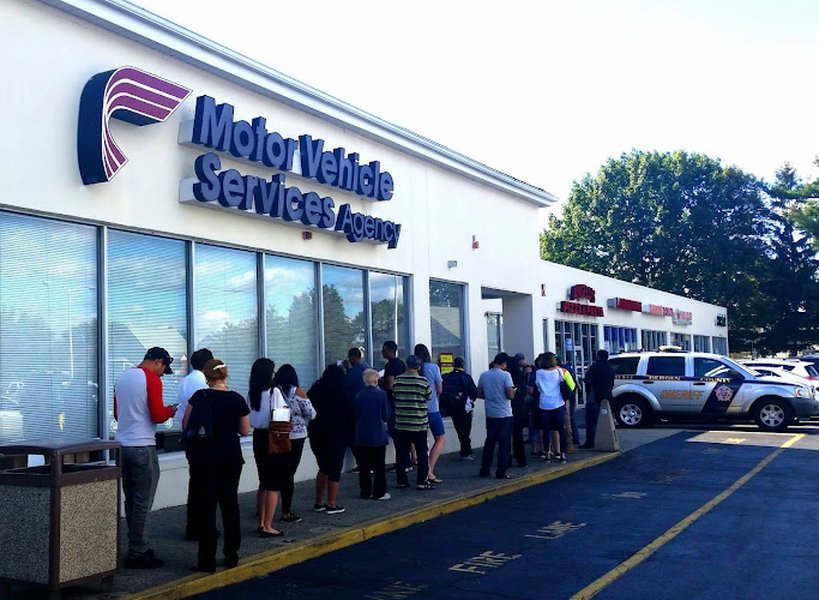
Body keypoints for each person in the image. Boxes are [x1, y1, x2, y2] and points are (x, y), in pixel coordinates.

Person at [183, 359, 250, 572]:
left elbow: (186, 424)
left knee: (207, 507)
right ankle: (231, 554)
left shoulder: (199, 396)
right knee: (230, 505)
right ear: (225, 375)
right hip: (230, 457)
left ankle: (206, 560)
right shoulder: (236, 399)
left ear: (206, 375)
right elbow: (245, 430)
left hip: (204, 458)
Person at [114, 346, 177, 569]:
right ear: (158, 361)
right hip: (143, 446)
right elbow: (158, 414)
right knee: (143, 502)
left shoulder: (122, 378)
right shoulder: (151, 379)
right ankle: (137, 551)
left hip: (122, 446)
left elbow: (116, 414)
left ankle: (136, 545)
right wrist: (171, 410)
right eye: (163, 368)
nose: (162, 373)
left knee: (130, 499)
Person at [247, 358, 287, 538]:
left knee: (263, 480)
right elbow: (282, 416)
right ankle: (269, 525)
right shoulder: (275, 392)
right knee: (273, 484)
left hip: (258, 436)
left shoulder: (251, 393)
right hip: (273, 436)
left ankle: (261, 521)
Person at [177, 347, 213, 541]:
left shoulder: (186, 381)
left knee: (196, 482)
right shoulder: (201, 383)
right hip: (200, 438)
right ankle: (200, 527)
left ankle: (194, 526)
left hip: (189, 436)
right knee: (204, 485)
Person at [274, 364, 316, 523]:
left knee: (275, 472)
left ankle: (263, 508)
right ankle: (286, 511)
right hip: (296, 435)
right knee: (289, 473)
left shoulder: (274, 391)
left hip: (278, 434)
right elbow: (311, 413)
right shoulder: (296, 391)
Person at [308, 365, 349, 515]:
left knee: (323, 467)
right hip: (337, 432)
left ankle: (319, 501)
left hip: (317, 432)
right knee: (335, 468)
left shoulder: (315, 390)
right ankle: (331, 503)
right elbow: (349, 412)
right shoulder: (341, 392)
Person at [393, 354, 434, 490]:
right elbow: (429, 396)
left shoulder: (398, 380)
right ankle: (422, 481)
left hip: (402, 423)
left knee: (401, 453)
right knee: (422, 453)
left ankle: (401, 480)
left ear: (406, 365)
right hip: (419, 423)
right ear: (419, 366)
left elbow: (394, 395)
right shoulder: (423, 381)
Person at [352, 368, 392, 500]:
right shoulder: (382, 395)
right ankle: (379, 492)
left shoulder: (358, 396)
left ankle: (365, 491)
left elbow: (356, 415)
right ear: (376, 379)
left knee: (364, 466)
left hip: (361, 436)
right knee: (379, 466)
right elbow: (386, 415)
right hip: (377, 435)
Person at [477, 353, 515, 479]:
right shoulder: (506, 375)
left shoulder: (484, 375)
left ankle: (485, 469)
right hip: (504, 413)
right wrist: (514, 391)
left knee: (490, 442)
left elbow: (480, 394)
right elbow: (510, 395)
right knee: (504, 444)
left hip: (491, 413)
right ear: (503, 364)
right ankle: (501, 472)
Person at [414, 343, 446, 484]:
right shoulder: (433, 368)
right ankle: (429, 470)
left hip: (417, 410)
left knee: (421, 442)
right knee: (440, 438)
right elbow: (439, 389)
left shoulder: (413, 370)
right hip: (432, 409)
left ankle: (421, 467)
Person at [536, 352, 575, 463]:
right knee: (560, 430)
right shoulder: (561, 371)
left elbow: (537, 386)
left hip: (544, 404)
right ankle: (562, 454)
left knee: (546, 430)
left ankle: (547, 453)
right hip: (558, 403)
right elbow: (571, 386)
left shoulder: (538, 373)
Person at [440, 356, 478, 460]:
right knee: (465, 430)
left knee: (459, 429)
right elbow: (473, 392)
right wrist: (471, 401)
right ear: (463, 365)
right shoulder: (466, 377)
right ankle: (465, 451)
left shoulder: (446, 377)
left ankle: (466, 449)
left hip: (452, 407)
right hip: (464, 407)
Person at [580, 350, 615, 449]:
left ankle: (590, 441)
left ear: (598, 356)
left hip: (595, 396)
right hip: (607, 396)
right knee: (605, 419)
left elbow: (588, 380)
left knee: (592, 420)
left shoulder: (594, 367)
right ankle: (605, 440)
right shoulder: (610, 368)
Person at [343, 347, 368, 472]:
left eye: (350, 357)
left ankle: (362, 463)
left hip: (353, 408)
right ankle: (367, 463)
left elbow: (344, 386)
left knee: (353, 437)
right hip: (365, 408)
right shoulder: (366, 369)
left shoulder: (353, 373)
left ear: (354, 357)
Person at [507, 355, 529, 468]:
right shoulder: (519, 375)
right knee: (518, 435)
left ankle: (508, 457)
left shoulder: (506, 375)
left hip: (506, 407)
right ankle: (521, 460)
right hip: (518, 407)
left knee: (507, 435)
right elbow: (523, 391)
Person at [557, 354, 581, 447]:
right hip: (566, 397)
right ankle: (572, 440)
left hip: (559, 399)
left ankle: (569, 441)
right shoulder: (564, 370)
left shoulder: (542, 373)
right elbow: (572, 385)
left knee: (567, 419)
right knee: (570, 418)